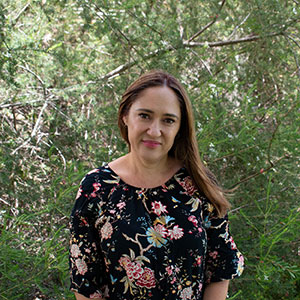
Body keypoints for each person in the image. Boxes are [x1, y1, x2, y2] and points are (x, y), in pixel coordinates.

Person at [69, 70, 244, 300]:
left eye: (168, 120)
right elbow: (86, 282)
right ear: (125, 116)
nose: (154, 131)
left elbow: (220, 269)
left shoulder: (199, 185)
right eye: (144, 115)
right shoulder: (97, 188)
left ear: (179, 127)